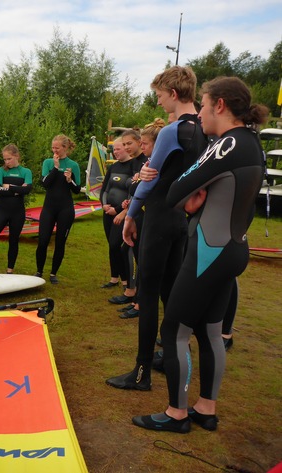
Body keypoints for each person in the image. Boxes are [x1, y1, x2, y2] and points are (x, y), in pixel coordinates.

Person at [132, 76, 267, 433]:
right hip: (234, 246)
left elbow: (177, 188)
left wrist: (192, 197)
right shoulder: (253, 143)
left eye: (205, 105)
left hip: (209, 249)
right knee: (210, 331)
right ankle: (206, 408)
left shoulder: (224, 144)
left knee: (174, 328)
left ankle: (177, 413)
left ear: (220, 105)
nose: (202, 113)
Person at [106, 66, 207, 391]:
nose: (160, 102)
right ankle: (170, 355)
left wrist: (132, 215)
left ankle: (141, 372)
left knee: (148, 296)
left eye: (160, 95)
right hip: (182, 221)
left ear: (174, 94)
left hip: (160, 218)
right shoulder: (204, 129)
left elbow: (149, 182)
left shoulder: (171, 131)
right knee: (169, 292)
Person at [117, 119, 166, 319]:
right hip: (140, 214)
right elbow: (136, 189)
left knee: (146, 265)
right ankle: (137, 300)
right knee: (140, 261)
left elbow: (141, 189)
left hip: (149, 218)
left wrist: (132, 207)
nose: (140, 147)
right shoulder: (144, 163)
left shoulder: (152, 164)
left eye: (142, 144)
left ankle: (140, 302)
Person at [34, 134, 81, 284]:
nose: (54, 150)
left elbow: (77, 190)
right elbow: (45, 184)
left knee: (60, 242)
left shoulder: (73, 165)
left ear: (65, 148)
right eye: (52, 147)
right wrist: (55, 168)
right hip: (49, 207)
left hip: (65, 208)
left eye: (57, 148)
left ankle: (53, 273)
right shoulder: (48, 162)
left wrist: (70, 180)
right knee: (43, 241)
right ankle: (39, 271)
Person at [107, 129, 145, 305]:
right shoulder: (136, 162)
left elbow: (144, 189)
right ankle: (132, 294)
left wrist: (124, 211)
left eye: (130, 143)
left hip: (142, 214)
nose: (127, 147)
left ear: (139, 142)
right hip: (134, 212)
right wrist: (127, 205)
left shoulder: (144, 161)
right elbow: (134, 189)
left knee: (131, 252)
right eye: (125, 144)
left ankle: (136, 298)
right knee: (127, 251)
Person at [0, 144, 32, 274]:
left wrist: (8, 186)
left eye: (9, 159)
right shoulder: (1, 171)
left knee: (13, 240)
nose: (6, 162)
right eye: (4, 159)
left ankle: (10, 270)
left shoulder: (25, 171)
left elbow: (26, 189)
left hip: (18, 212)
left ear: (16, 156)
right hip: (2, 210)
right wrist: (16, 189)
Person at [99, 137, 135, 292]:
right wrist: (104, 204)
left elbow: (132, 192)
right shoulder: (113, 167)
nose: (115, 152)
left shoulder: (133, 166)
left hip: (121, 213)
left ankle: (126, 280)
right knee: (111, 246)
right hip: (108, 212)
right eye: (114, 149)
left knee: (117, 245)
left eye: (118, 149)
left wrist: (118, 210)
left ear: (126, 149)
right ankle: (114, 278)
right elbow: (104, 189)